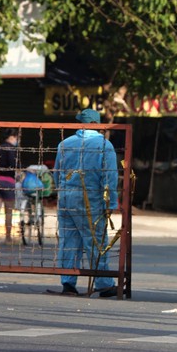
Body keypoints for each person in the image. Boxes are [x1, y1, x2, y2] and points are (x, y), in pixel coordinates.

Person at [55, 109, 119, 296]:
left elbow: (57, 172)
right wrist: (110, 203)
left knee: (68, 241)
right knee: (96, 241)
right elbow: (109, 178)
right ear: (97, 124)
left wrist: (62, 191)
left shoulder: (64, 144)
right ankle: (103, 283)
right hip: (90, 199)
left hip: (67, 197)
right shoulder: (104, 145)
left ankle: (68, 282)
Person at [0, 129, 19, 245]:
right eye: (17, 138)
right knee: (9, 210)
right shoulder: (11, 149)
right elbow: (13, 165)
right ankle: (8, 238)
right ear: (13, 136)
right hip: (7, 181)